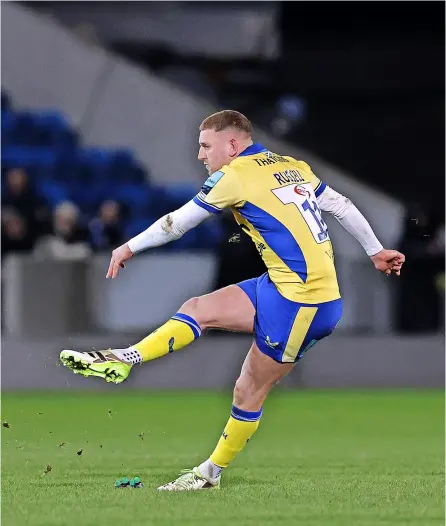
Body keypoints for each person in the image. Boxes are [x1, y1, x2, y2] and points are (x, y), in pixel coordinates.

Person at [60, 110, 405, 491]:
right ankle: (127, 357)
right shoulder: (291, 166)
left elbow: (178, 222)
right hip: (281, 285)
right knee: (197, 309)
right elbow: (340, 205)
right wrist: (375, 250)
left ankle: (210, 474)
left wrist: (128, 247)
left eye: (206, 146)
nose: (200, 156)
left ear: (233, 146)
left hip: (304, 306)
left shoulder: (235, 175)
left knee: (249, 388)